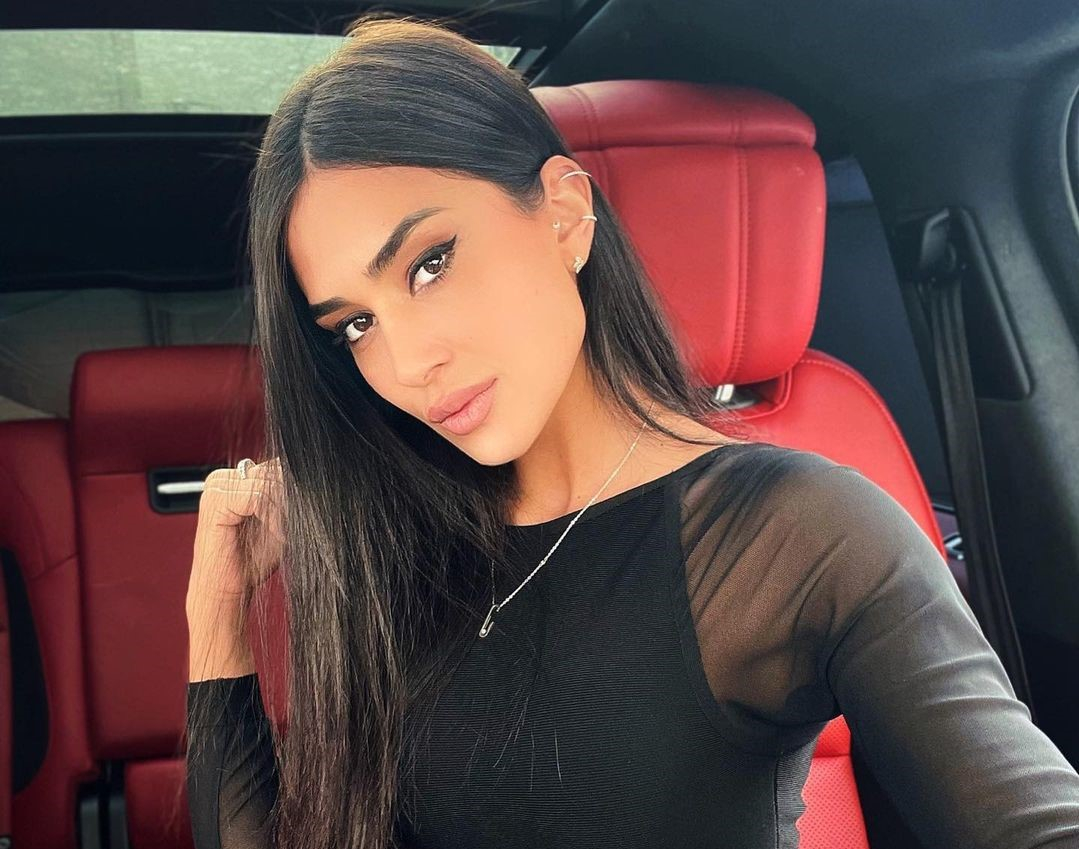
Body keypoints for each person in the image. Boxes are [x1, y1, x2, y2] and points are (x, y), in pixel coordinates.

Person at [182, 13, 1079, 849]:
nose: (407, 361)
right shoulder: (397, 541)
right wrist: (217, 614)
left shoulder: (799, 532)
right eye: (355, 324)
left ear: (564, 215)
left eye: (429, 264)